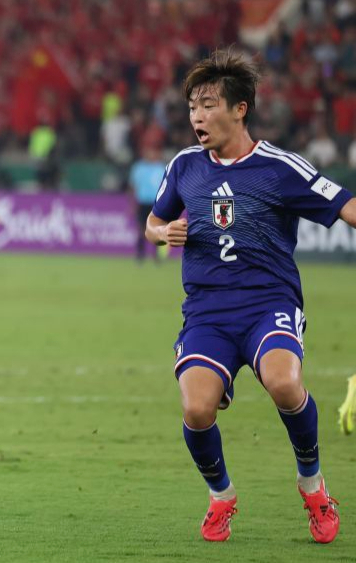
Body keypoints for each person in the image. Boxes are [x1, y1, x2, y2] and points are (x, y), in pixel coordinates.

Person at [146, 48, 356, 543]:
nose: (197, 117)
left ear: (240, 109)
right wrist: (162, 233)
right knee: (197, 410)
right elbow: (153, 222)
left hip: (269, 303)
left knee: (284, 383)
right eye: (192, 107)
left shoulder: (279, 168)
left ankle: (313, 485)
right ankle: (221, 496)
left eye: (208, 105)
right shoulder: (185, 166)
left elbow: (345, 204)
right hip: (207, 312)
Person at [129, 142, 167, 262]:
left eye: (152, 152)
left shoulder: (161, 168)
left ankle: (156, 256)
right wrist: (132, 203)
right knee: (141, 230)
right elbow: (133, 186)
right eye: (147, 152)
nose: (150, 154)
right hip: (142, 202)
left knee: (157, 230)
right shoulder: (138, 168)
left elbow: (166, 187)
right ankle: (140, 254)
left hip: (156, 204)